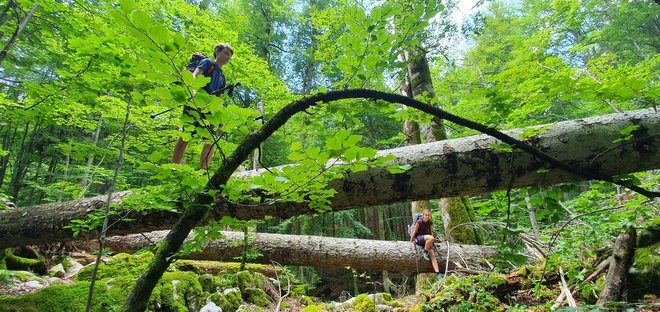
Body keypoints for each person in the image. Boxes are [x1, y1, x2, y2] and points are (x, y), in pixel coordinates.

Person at [172, 43, 234, 170]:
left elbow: (219, 98)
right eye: (226, 53)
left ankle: (204, 171)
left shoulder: (223, 77)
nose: (228, 57)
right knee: (187, 134)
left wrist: (219, 118)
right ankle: (173, 167)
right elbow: (195, 74)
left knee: (211, 139)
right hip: (195, 102)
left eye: (230, 56)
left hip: (210, 109)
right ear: (217, 51)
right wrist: (192, 89)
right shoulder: (207, 63)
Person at [410, 208, 443, 280]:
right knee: (431, 238)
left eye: (429, 215)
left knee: (433, 256)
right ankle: (425, 251)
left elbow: (431, 232)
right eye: (426, 215)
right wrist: (411, 241)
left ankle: (438, 274)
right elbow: (414, 232)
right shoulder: (419, 222)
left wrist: (433, 243)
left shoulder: (429, 222)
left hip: (427, 240)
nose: (428, 217)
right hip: (419, 239)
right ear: (423, 215)